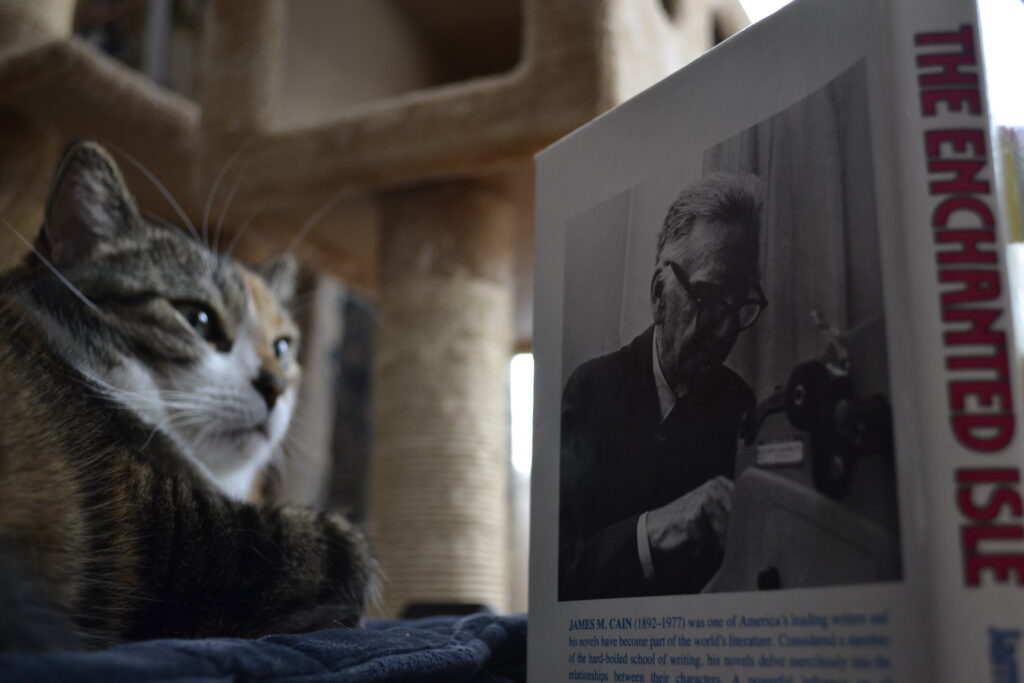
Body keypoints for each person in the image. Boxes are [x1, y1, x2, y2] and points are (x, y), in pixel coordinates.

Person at [559, 173, 767, 600]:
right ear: (659, 293)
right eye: (709, 299)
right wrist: (655, 530)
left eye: (742, 303)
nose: (727, 330)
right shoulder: (590, 391)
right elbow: (558, 575)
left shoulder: (741, 404)